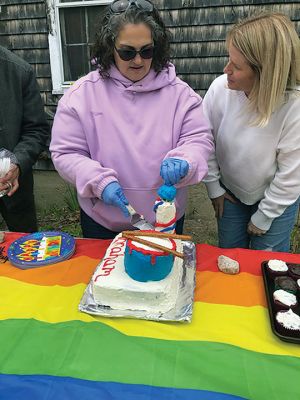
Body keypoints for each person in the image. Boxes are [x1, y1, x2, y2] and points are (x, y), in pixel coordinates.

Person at [50, 0, 213, 239]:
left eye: (146, 51)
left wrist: (186, 159)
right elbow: (65, 153)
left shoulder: (181, 95)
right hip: (103, 221)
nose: (138, 61)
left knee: (161, 275)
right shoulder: (81, 96)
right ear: (109, 48)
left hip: (164, 219)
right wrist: (98, 182)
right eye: (127, 52)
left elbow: (199, 140)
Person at [203, 12, 300, 252]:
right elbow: (204, 140)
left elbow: (292, 173)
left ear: (265, 74)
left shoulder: (293, 105)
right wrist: (214, 188)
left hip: (277, 199)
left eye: (236, 66)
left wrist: (265, 215)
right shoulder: (219, 90)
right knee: (230, 254)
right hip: (231, 193)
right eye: (229, 60)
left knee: (267, 263)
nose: (226, 69)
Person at [0, 45, 49, 233]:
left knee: (24, 247)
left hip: (14, 184)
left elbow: (36, 129)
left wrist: (17, 163)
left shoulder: (19, 71)